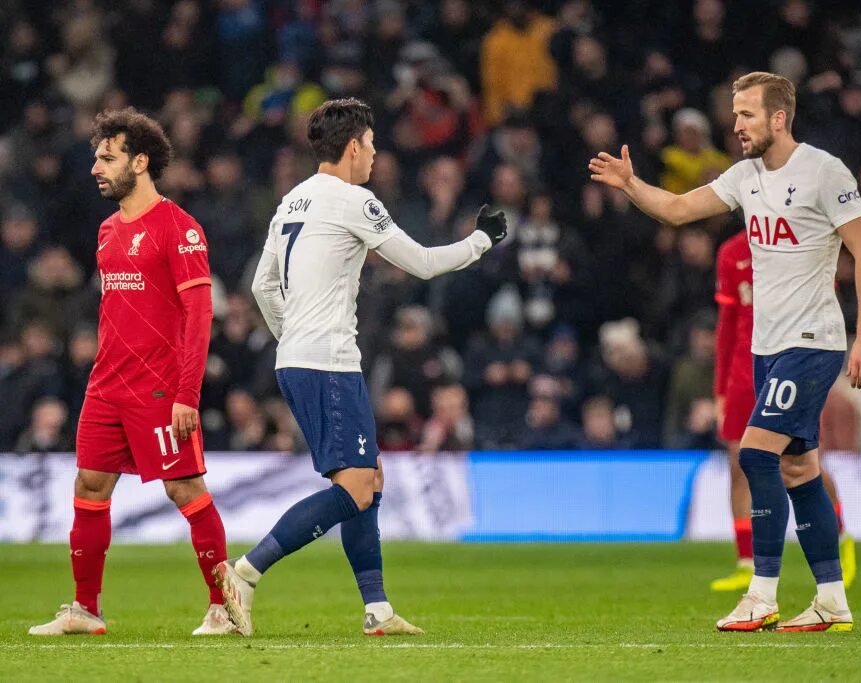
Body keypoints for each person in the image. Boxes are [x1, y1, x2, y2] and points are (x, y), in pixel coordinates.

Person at [590, 72, 861, 633]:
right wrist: (630, 184)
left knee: (754, 455)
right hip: (766, 347)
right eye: (735, 113)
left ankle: (762, 593)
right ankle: (831, 600)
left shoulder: (824, 171)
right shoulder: (746, 177)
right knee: (799, 467)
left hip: (812, 341)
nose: (736, 124)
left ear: (778, 118)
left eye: (746, 114)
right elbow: (676, 210)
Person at [214, 98, 507, 637]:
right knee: (353, 489)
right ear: (353, 147)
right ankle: (243, 576)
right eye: (370, 146)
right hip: (327, 364)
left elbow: (260, 285)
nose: (373, 156)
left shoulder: (291, 201)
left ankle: (377, 609)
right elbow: (419, 262)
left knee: (369, 477)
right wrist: (481, 241)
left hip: (300, 358)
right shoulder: (355, 200)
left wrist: (292, 335)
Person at [30, 109, 230, 636]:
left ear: (140, 162)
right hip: (106, 387)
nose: (96, 167)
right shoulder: (105, 231)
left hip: (161, 389)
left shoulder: (179, 228)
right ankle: (85, 610)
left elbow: (200, 315)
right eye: (97, 156)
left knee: (184, 490)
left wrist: (187, 393)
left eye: (107, 157)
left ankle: (224, 608)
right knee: (90, 484)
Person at [711, 230, 856, 593]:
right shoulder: (731, 253)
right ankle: (746, 562)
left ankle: (839, 539)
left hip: (793, 364)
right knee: (738, 464)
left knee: (801, 462)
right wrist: (720, 390)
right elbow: (727, 324)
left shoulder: (802, 240)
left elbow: (827, 304)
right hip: (744, 375)